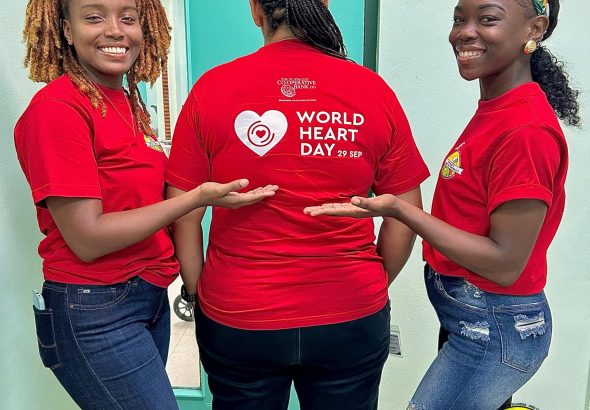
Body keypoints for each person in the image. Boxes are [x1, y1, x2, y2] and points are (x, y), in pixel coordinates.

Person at [305, 0, 580, 408]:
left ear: (534, 29)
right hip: (472, 318)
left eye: (487, 19)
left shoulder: (525, 130)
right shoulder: (499, 110)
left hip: (494, 329)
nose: (464, 32)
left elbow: (505, 263)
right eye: (459, 18)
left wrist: (401, 210)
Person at [165, 0, 429, 408]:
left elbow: (183, 209)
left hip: (240, 312)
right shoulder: (372, 90)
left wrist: (200, 289)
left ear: (256, 9)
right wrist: (371, 284)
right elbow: (405, 213)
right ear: (323, 4)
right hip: (349, 310)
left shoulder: (211, 88)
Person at [14, 0, 277, 408]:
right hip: (94, 307)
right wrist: (196, 198)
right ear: (66, 29)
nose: (115, 30)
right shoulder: (57, 111)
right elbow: (88, 237)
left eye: (129, 18)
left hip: (147, 295)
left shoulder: (126, 103)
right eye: (94, 17)